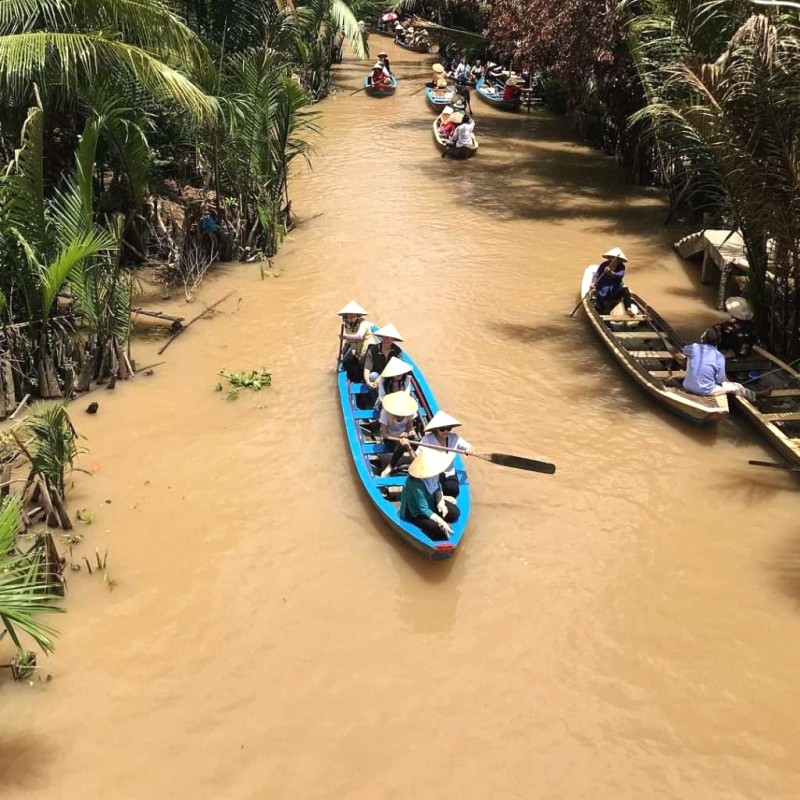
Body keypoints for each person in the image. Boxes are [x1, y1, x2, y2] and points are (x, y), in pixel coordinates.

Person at [682, 327, 766, 401]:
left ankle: (692, 379)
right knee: (737, 386)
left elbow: (684, 350)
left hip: (687, 385)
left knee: (690, 356)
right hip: (706, 390)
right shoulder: (719, 356)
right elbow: (720, 379)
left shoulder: (694, 347)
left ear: (703, 339)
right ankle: (756, 395)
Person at [399, 447, 461, 539]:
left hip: (430, 502)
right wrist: (441, 521)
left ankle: (440, 517)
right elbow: (423, 509)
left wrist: (441, 502)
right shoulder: (416, 484)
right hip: (415, 512)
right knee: (439, 529)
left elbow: (437, 486)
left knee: (455, 513)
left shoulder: (434, 475)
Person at [420, 410, 473, 498]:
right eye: (442, 429)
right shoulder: (427, 440)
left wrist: (469, 450)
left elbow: (470, 447)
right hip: (433, 472)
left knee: (454, 491)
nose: (446, 431)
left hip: (448, 472)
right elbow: (417, 455)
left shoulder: (454, 438)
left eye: (448, 428)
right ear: (436, 429)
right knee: (432, 493)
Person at [379, 391, 419, 476]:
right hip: (390, 438)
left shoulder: (410, 413)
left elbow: (409, 427)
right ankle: (390, 466)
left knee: (417, 442)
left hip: (405, 437)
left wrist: (411, 432)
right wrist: (398, 437)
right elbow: (384, 434)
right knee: (401, 444)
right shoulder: (385, 413)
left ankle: (418, 461)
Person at [591, 247, 637, 316]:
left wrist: (611, 273)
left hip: (615, 289)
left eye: (616, 259)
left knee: (625, 290)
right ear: (609, 258)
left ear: (619, 260)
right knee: (604, 309)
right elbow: (597, 274)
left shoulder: (621, 266)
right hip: (604, 290)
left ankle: (628, 308)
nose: (614, 260)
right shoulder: (604, 265)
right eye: (612, 258)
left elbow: (620, 275)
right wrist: (593, 282)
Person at [338, 301, 373, 382]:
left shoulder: (364, 323)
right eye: (348, 315)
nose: (349, 317)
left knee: (360, 370)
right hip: (357, 353)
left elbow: (359, 336)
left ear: (357, 315)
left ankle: (362, 380)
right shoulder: (348, 325)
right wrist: (342, 354)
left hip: (368, 352)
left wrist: (345, 336)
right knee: (346, 363)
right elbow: (348, 342)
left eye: (352, 315)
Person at [363, 323, 403, 390]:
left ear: (393, 339)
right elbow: (367, 369)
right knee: (372, 376)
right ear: (382, 337)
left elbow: (394, 369)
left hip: (391, 375)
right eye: (385, 337)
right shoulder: (373, 350)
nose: (387, 340)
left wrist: (380, 378)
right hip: (376, 375)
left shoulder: (397, 351)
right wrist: (367, 382)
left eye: (390, 338)